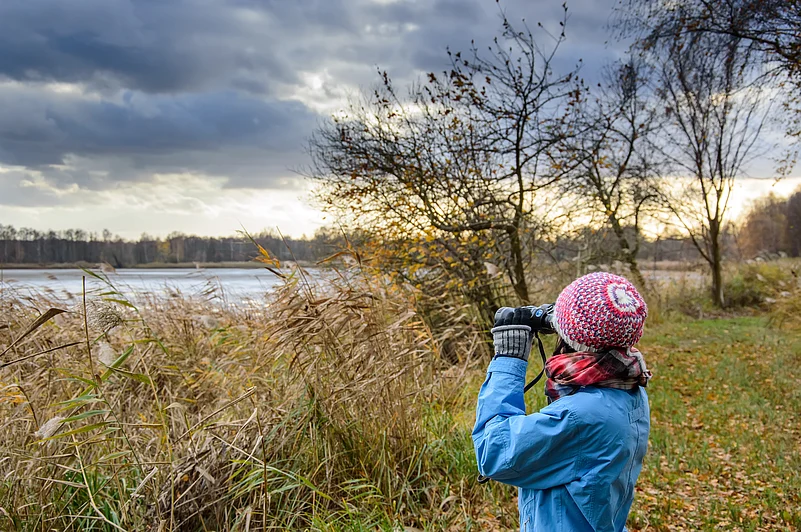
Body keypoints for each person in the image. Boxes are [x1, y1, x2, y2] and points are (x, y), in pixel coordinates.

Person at [473, 272, 652, 531]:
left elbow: (494, 453)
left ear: (573, 338)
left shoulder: (582, 416)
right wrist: (559, 319)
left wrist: (508, 360)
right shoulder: (630, 385)